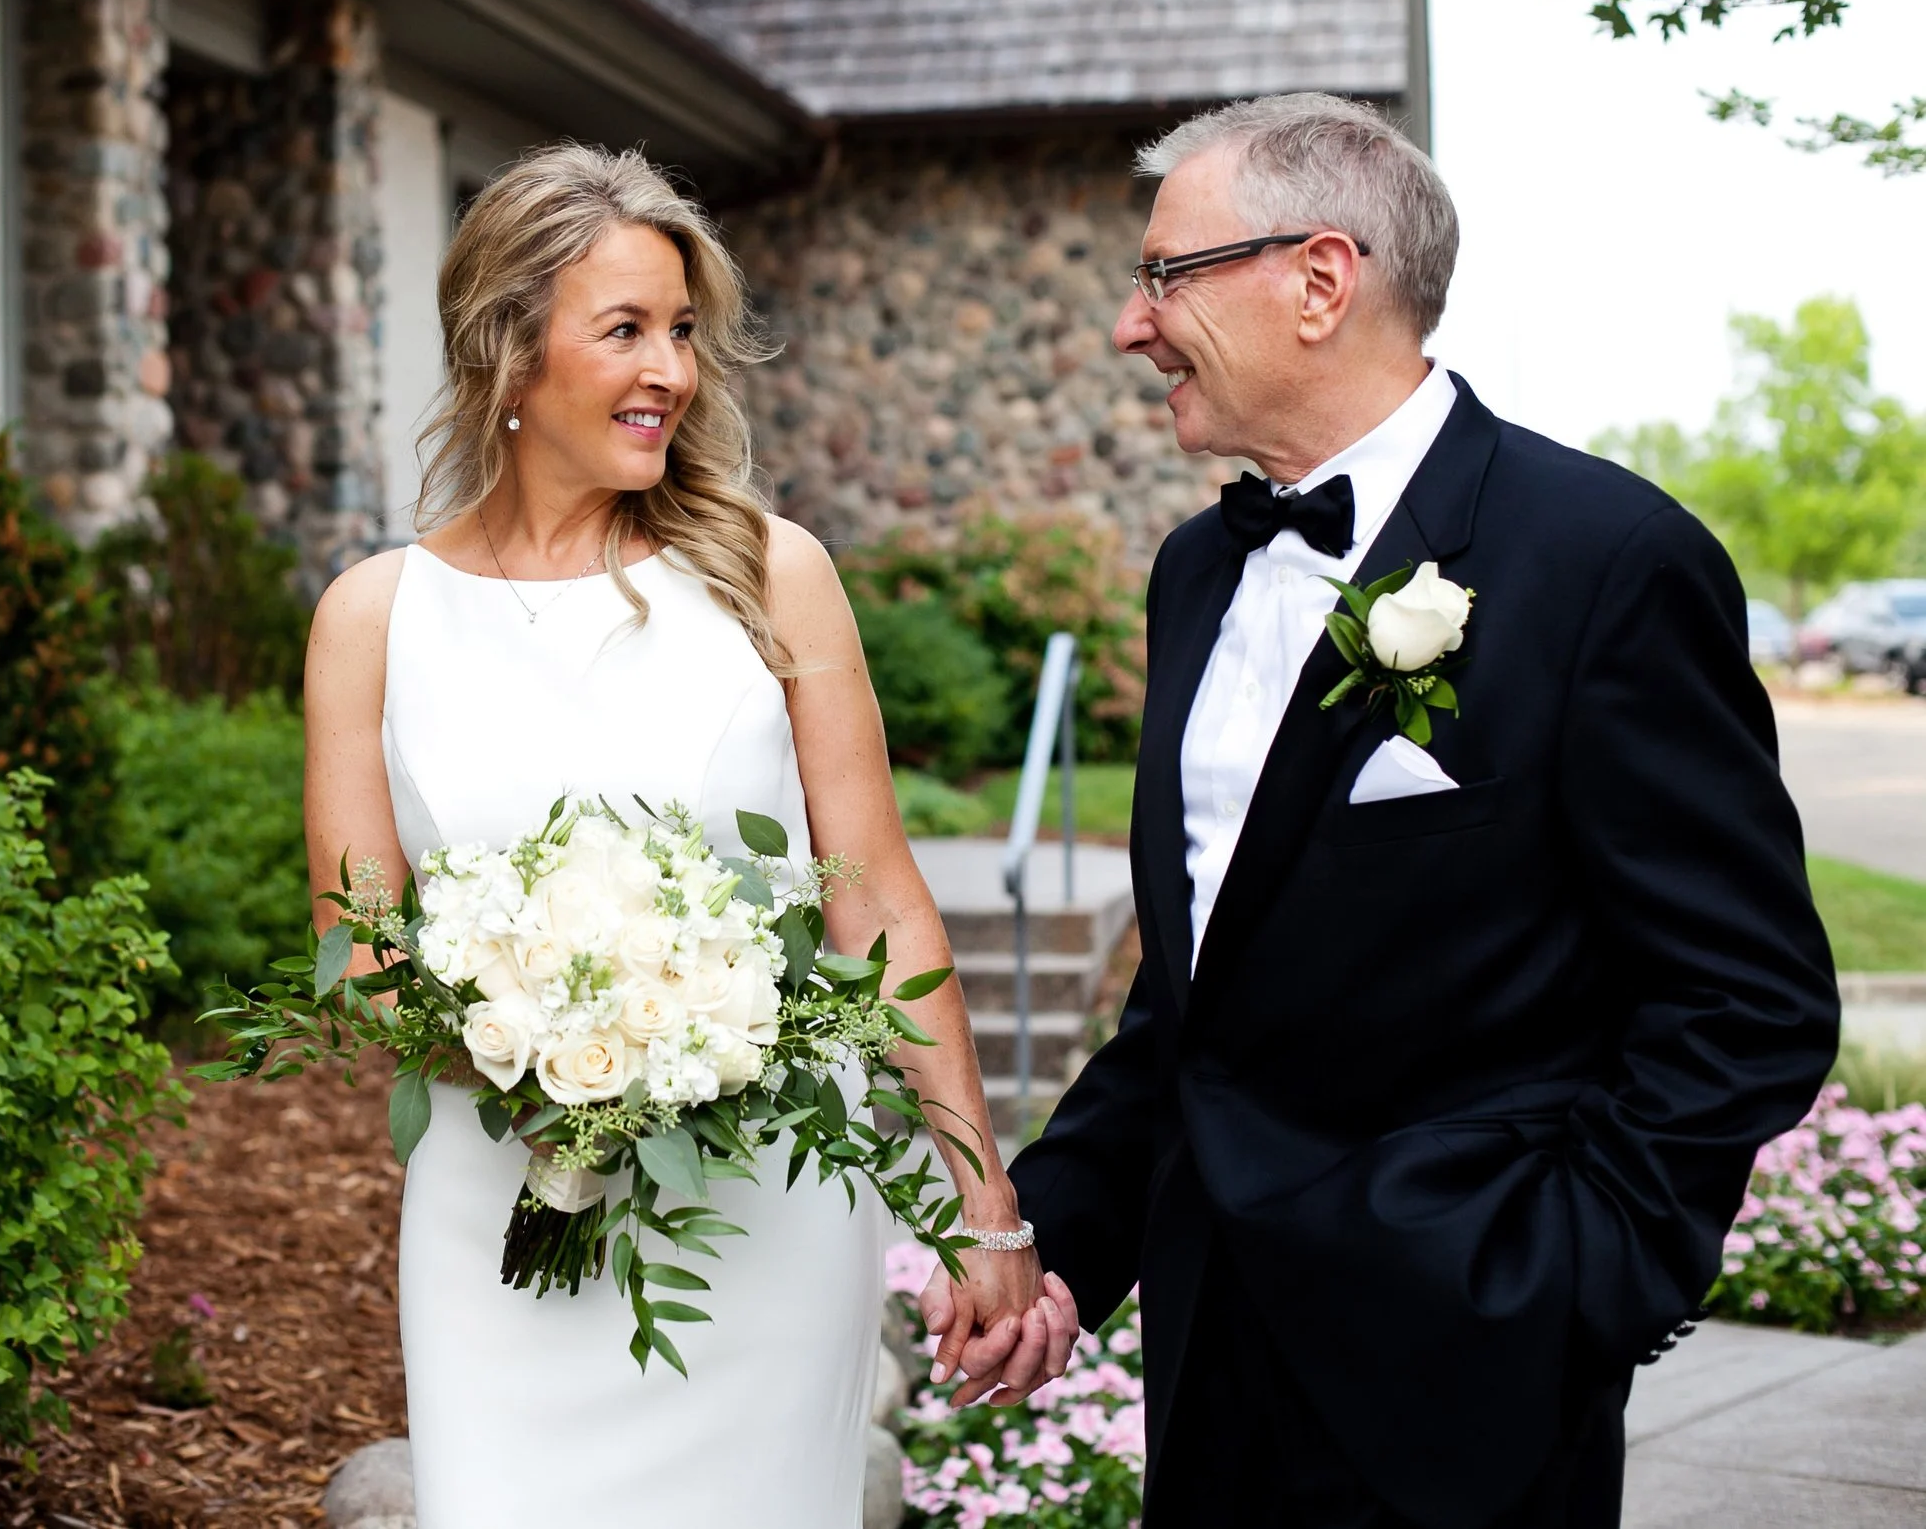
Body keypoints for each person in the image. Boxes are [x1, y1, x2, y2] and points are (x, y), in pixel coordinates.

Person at [926, 93, 1841, 1527]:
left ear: (1320, 280)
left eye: (1165, 275)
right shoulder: (1194, 572)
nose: (1128, 325)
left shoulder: (1606, 560)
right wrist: (1064, 1241)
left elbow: (1748, 996)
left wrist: (1574, 1279)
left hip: (1470, 1374)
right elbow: (1197, 996)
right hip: (1212, 1360)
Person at [302, 142, 1071, 1528]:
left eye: (682, 331)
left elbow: (878, 900)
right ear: (506, 351)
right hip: (497, 1215)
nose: (672, 369)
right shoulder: (374, 618)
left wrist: (982, 1203)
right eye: (625, 330)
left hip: (766, 1210)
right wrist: (557, 1045)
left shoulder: (773, 574)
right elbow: (359, 964)